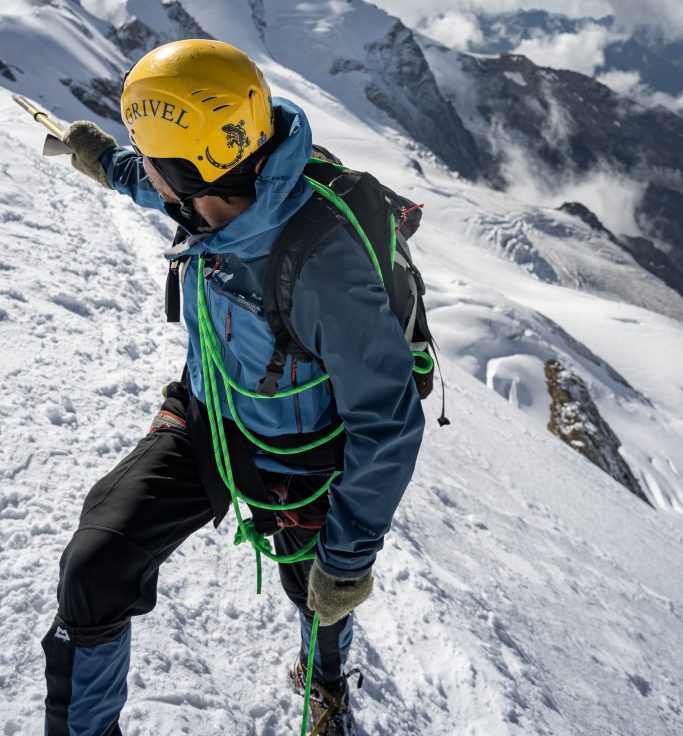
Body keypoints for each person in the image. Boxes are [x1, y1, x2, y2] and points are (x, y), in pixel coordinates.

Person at [42, 39, 425, 736]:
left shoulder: (323, 266)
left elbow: (387, 422)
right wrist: (101, 161)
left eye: (147, 154)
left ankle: (326, 687)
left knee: (316, 596)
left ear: (187, 170)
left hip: (304, 460)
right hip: (206, 418)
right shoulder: (216, 195)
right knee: (93, 569)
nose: (143, 166)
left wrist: (347, 561)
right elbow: (157, 181)